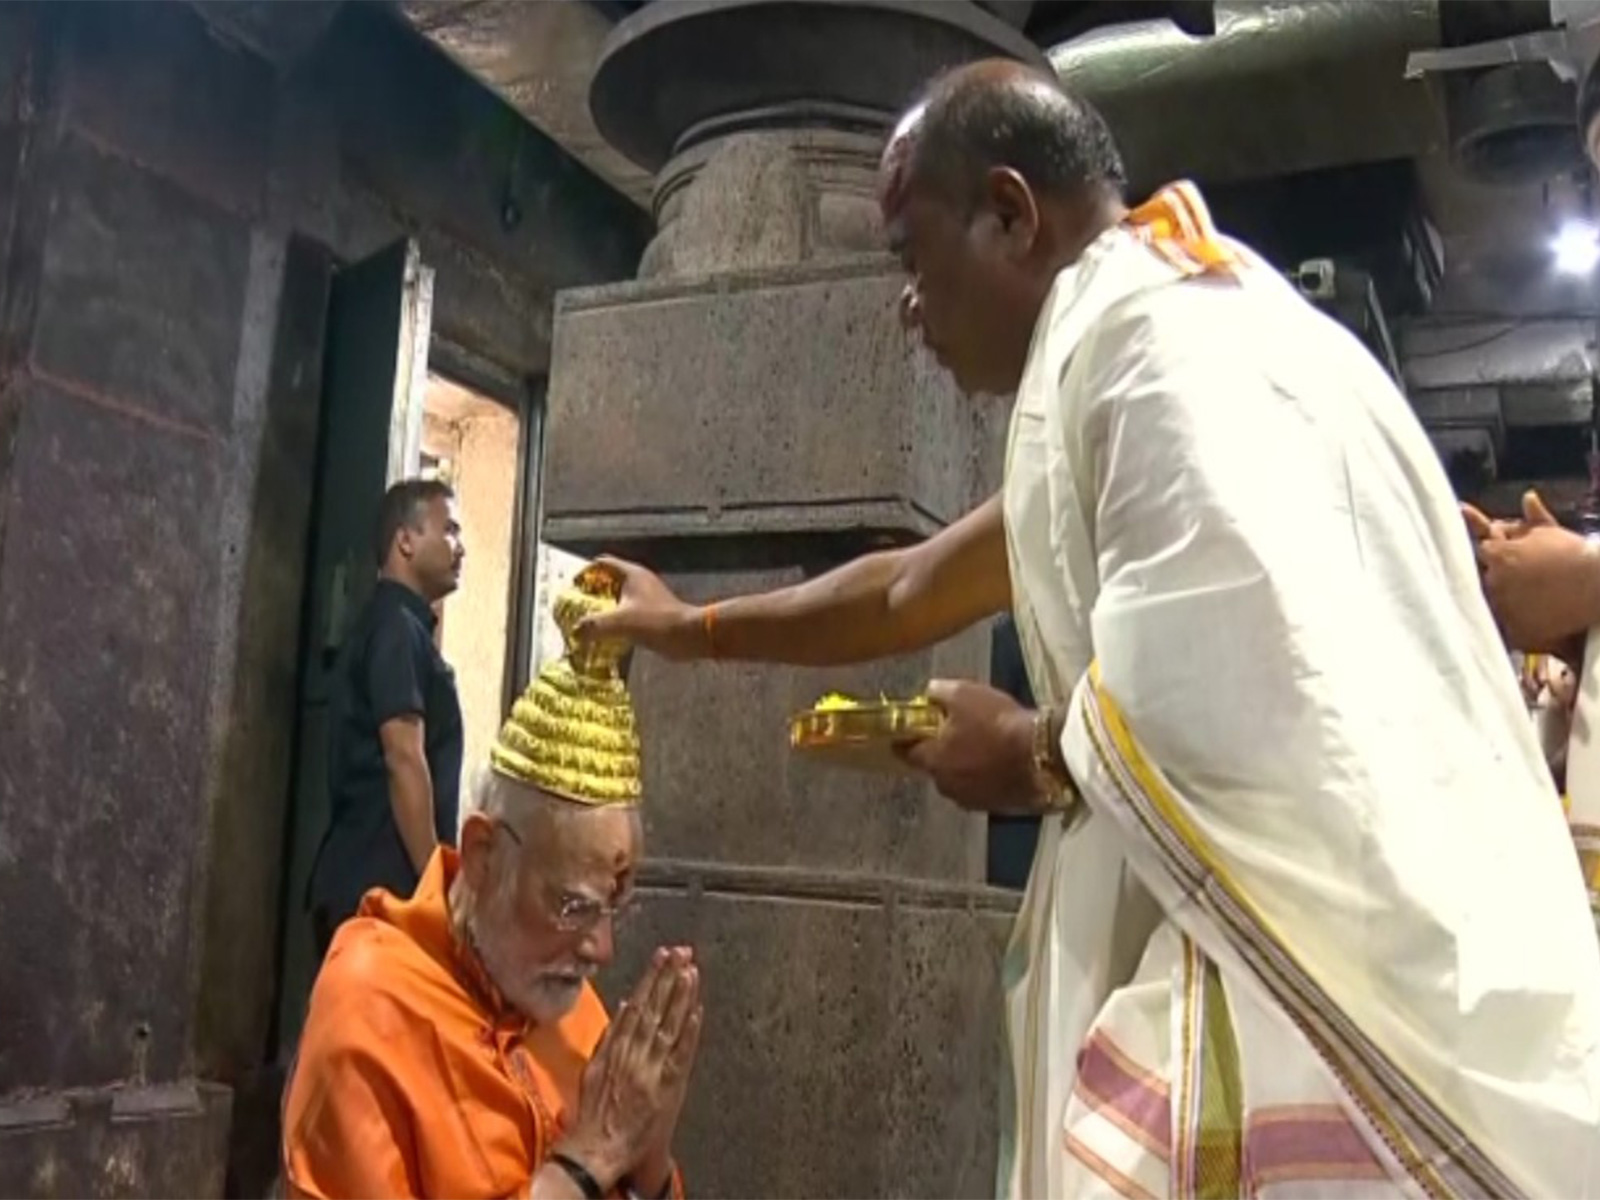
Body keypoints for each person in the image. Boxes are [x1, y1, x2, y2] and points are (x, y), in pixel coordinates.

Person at [581, 61, 1600, 1197]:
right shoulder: (1142, 337)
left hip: (1331, 1000)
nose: (907, 306)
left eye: (912, 257)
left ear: (1010, 214)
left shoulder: (1167, 353)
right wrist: (688, 626)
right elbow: (910, 586)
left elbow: (1240, 689)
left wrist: (1022, 751)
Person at [282, 568, 700, 1199]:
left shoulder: (573, 1009)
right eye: (572, 907)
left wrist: (649, 1159)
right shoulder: (369, 1007)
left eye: (615, 909)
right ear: (481, 855)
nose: (602, 951)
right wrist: (583, 1164)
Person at [308, 478, 467, 956]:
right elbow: (404, 757)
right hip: (379, 893)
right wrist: (433, 890)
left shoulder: (398, 627)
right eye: (450, 529)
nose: (461, 548)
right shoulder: (397, 630)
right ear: (406, 540)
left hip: (371, 884)